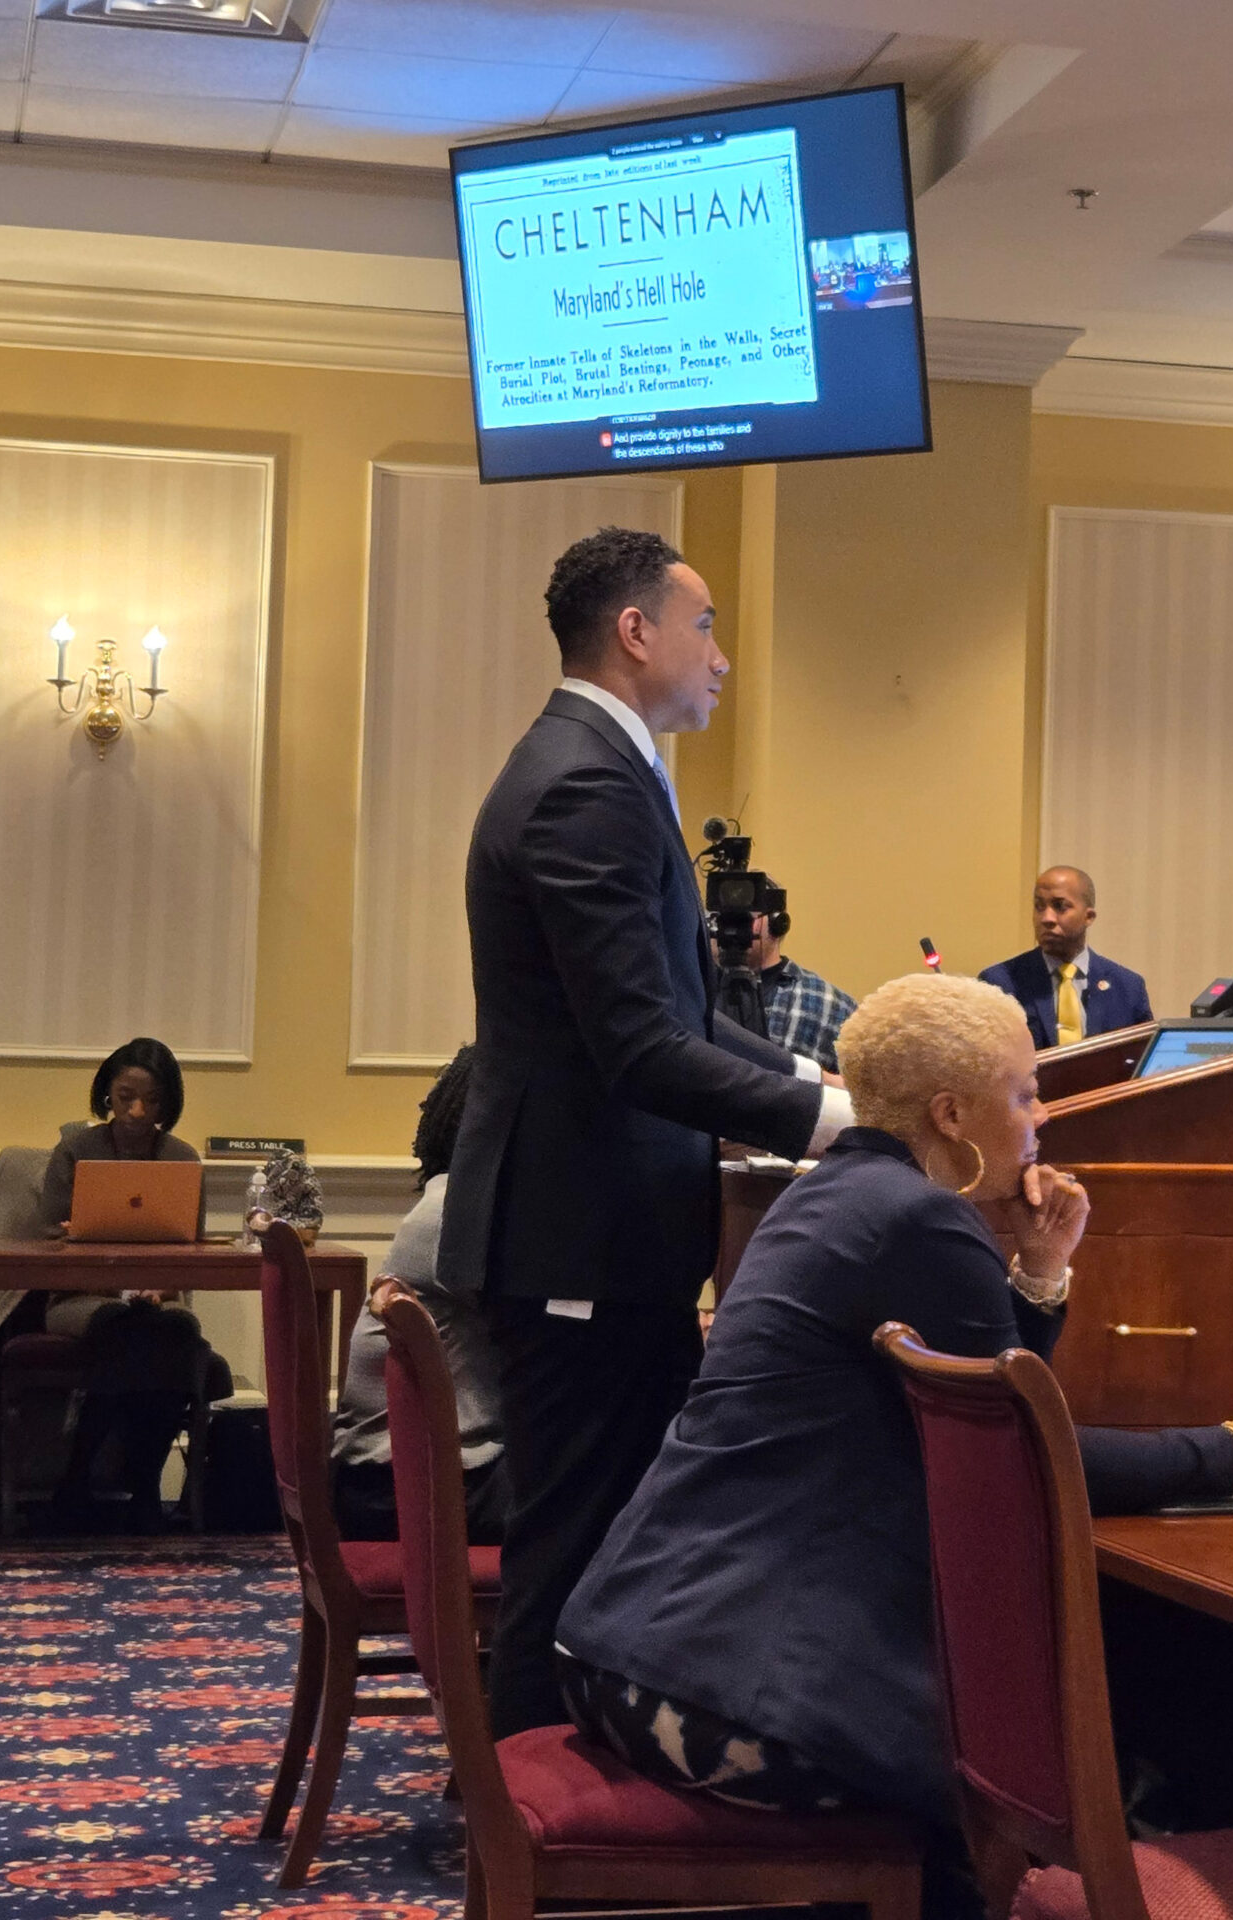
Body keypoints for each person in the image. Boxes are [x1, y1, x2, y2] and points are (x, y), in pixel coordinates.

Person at [555, 973, 1233, 1919]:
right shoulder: (919, 1218)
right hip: (732, 1701)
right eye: (1024, 1094)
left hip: (632, 1653)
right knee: (1171, 1739)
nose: (1042, 1117)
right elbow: (1026, 1459)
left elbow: (988, 1412)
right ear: (951, 1114)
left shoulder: (836, 1196)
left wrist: (1041, 1268)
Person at [444, 525, 853, 1738]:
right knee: (574, 1550)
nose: (720, 657)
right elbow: (636, 1050)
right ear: (636, 631)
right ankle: (522, 1814)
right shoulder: (586, 783)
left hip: (590, 1233)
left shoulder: (599, 769)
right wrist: (832, 1122)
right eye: (705, 625)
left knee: (603, 1539)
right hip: (580, 1239)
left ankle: (545, 1800)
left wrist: (806, 1071)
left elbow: (678, 1014)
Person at [36, 1037, 218, 1528]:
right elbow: (45, 1234)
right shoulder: (76, 1151)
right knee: (125, 1325)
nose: (138, 1112)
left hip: (158, 1295)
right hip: (79, 1296)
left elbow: (190, 1249)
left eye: (153, 1100)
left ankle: (105, 1483)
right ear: (107, 1095)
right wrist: (74, 1235)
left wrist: (161, 1287)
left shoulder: (182, 1159)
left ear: (168, 1103)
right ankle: (128, 1486)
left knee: (175, 1328)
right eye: (126, 1097)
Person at [330, 1048, 507, 1544]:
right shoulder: (460, 1214)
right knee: (603, 1477)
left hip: (394, 1478)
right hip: (409, 1488)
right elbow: (549, 1330)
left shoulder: (450, 1199)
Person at [978, 864, 1152, 1050]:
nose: (1046, 918)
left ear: (1088, 917)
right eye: (1039, 906)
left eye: (1060, 907)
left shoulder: (1127, 987)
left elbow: (1144, 1058)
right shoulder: (1000, 983)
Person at [750, 882, 859, 1072]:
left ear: (777, 923)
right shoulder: (696, 994)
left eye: (746, 917)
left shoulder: (834, 1006)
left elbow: (862, 1087)